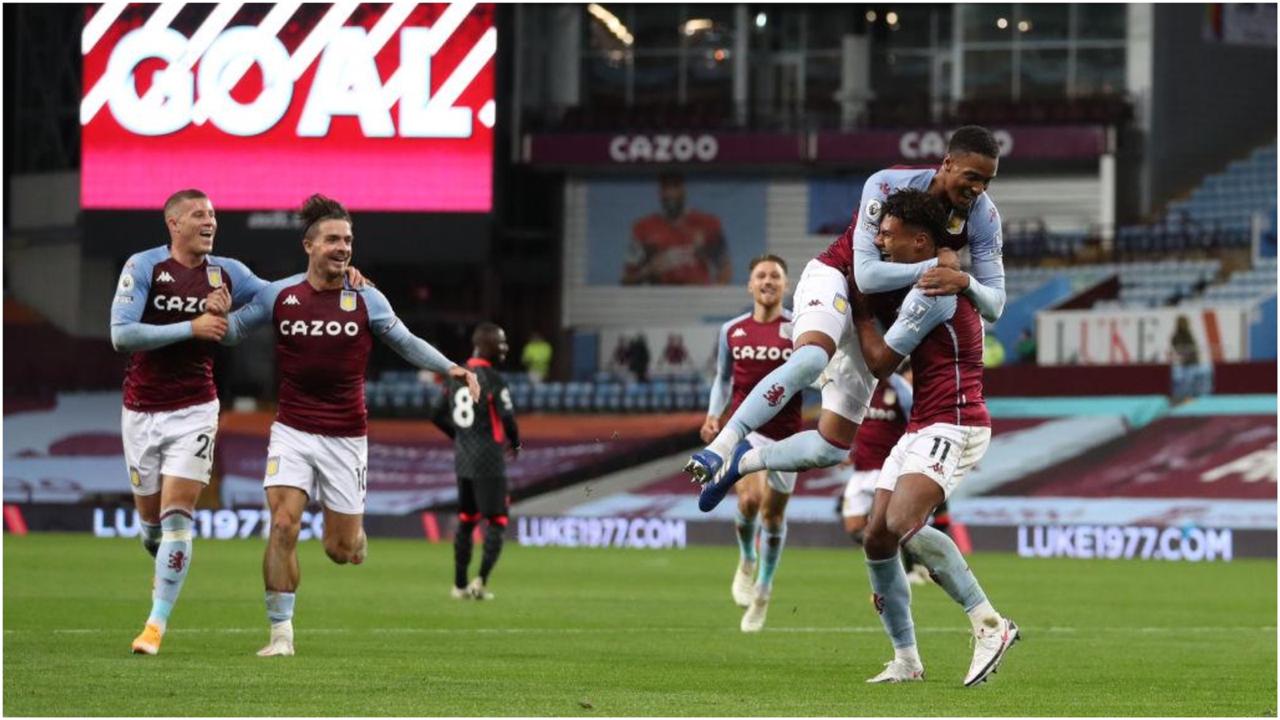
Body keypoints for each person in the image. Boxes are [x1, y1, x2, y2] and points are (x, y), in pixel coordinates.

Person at [210, 194, 479, 657]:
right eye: (333, 239)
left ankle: (355, 538)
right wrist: (216, 307)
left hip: (346, 437)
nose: (343, 247)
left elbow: (405, 341)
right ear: (309, 245)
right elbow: (234, 331)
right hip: (292, 429)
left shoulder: (366, 298)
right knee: (283, 525)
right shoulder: (281, 295)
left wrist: (451, 367)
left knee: (341, 550)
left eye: (348, 240)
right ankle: (281, 636)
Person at [687, 126, 1007, 509]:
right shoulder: (888, 184)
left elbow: (995, 303)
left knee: (830, 448)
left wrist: (963, 279)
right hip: (838, 278)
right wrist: (932, 266)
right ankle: (722, 446)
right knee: (810, 359)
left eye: (987, 181)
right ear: (948, 163)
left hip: (872, 315)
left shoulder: (984, 218)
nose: (979, 190)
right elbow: (867, 273)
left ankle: (743, 461)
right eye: (972, 178)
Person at [110, 188, 366, 656]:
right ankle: (160, 554)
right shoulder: (145, 267)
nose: (210, 221)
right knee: (150, 526)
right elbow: (122, 334)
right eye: (198, 214)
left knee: (177, 518)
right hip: (141, 410)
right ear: (174, 223)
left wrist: (338, 273)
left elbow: (282, 292)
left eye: (213, 214)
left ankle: (154, 626)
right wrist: (192, 325)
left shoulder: (228, 272)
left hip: (196, 409)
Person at [847, 188, 1017, 687]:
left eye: (888, 233)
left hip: (955, 423)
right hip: (923, 424)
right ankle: (906, 659)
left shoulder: (935, 291)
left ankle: (990, 624)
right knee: (877, 537)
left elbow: (881, 363)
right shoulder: (926, 282)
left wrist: (857, 311)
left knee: (900, 524)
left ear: (918, 240)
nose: (879, 239)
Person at [702, 254, 797, 632]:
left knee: (773, 516)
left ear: (785, 285)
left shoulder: (798, 329)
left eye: (775, 276)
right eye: (761, 275)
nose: (768, 281)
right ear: (750, 285)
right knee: (749, 500)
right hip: (745, 429)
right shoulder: (732, 330)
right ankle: (745, 558)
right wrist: (714, 414)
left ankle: (764, 588)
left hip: (788, 435)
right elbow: (723, 378)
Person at [431, 322, 521, 601]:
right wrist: (515, 442)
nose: (505, 348)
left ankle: (458, 585)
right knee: (497, 520)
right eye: (501, 342)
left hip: (464, 459)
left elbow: (436, 415)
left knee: (467, 521)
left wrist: (459, 437)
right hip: (490, 460)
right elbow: (506, 417)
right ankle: (479, 582)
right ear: (484, 344)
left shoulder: (455, 375)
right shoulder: (492, 378)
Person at [622, 172, 731, 286]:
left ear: (683, 190)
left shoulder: (707, 224)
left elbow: (725, 270)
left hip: (698, 295)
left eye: (675, 186)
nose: (670, 193)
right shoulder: (643, 228)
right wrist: (648, 271)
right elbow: (627, 279)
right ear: (660, 192)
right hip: (661, 297)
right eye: (666, 188)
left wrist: (712, 298)